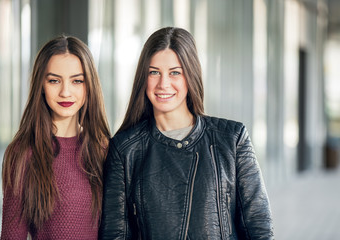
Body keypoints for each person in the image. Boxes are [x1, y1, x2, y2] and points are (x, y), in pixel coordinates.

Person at [99, 27, 274, 239]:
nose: (164, 84)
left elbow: (258, 226)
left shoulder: (232, 139)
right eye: (154, 72)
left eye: (175, 72)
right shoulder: (125, 149)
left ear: (190, 76)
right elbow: (114, 234)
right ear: (143, 79)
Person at [1, 35, 110, 239]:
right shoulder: (23, 153)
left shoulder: (105, 150)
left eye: (77, 81)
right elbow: (11, 235)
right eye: (54, 80)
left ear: (89, 87)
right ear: (41, 85)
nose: (65, 92)